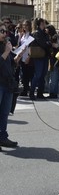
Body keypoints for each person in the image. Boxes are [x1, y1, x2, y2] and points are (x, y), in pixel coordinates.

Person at [0, 21, 18, 149]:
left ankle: (3, 137)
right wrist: (6, 52)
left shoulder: (5, 45)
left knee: (5, 113)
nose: (4, 34)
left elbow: (11, 63)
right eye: (1, 31)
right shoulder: (4, 48)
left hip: (8, 83)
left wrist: (19, 55)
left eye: (5, 31)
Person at [29, 18, 52, 100]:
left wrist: (48, 42)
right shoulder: (37, 33)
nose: (44, 25)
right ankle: (32, 92)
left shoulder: (44, 33)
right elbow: (43, 44)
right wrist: (48, 43)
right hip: (38, 56)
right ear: (39, 25)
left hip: (44, 56)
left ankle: (40, 93)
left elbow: (48, 42)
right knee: (38, 74)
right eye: (42, 24)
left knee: (43, 75)